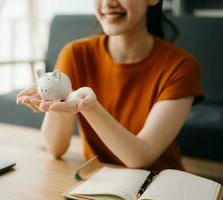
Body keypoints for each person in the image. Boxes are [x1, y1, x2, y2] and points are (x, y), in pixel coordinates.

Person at [16, 0, 204, 172]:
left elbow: (140, 159)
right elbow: (55, 148)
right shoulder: (75, 53)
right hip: (99, 179)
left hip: (158, 184)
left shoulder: (181, 66)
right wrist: (56, 100)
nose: (108, 3)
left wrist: (89, 107)